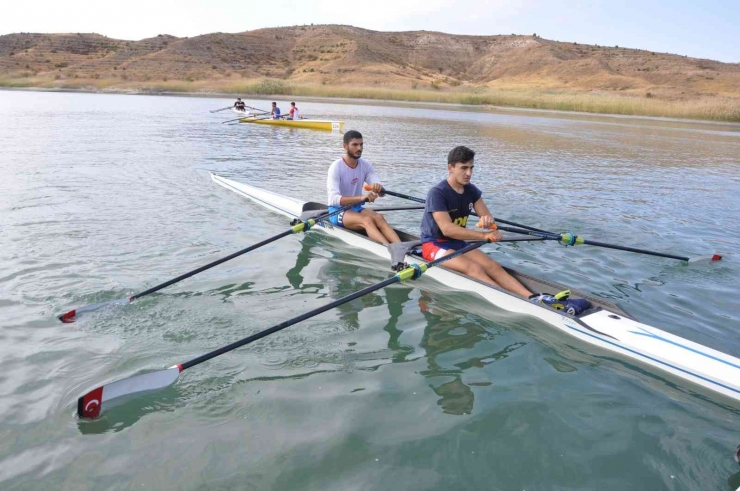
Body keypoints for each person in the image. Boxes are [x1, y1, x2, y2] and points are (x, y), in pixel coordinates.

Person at [420, 145, 590, 315]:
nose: (469, 173)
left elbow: (489, 219)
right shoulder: (437, 193)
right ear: (450, 168)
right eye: (464, 168)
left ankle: (532, 298)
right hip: (433, 244)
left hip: (456, 243)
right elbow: (448, 229)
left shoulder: (471, 190)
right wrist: (484, 235)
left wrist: (488, 222)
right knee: (475, 269)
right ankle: (510, 301)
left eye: (471, 168)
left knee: (493, 266)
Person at [326, 130, 401, 245]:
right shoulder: (336, 167)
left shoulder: (365, 165)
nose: (359, 148)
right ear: (345, 146)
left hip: (355, 209)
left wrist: (379, 188)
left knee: (379, 218)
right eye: (355, 145)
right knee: (367, 220)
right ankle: (389, 250)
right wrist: (360, 198)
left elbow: (381, 190)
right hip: (337, 211)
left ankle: (401, 248)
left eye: (361, 144)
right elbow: (333, 199)